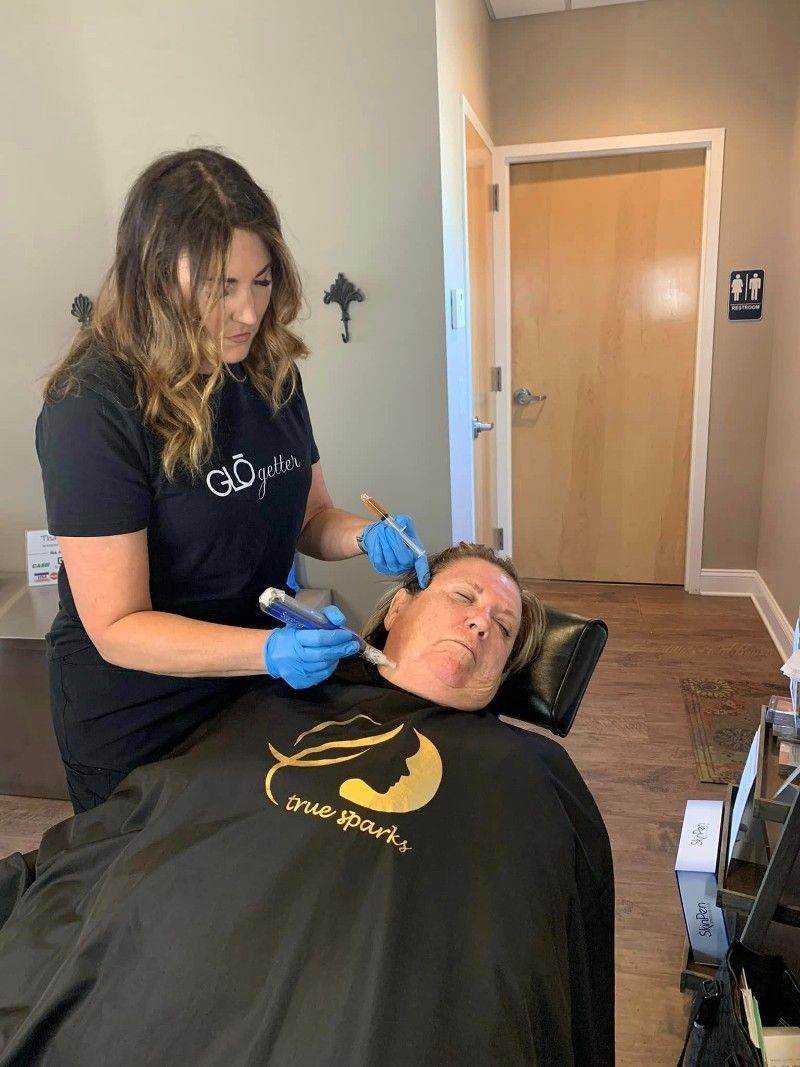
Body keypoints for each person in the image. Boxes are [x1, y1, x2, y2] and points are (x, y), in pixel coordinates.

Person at [0, 544, 614, 1066]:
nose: (483, 623)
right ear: (398, 608)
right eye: (464, 598)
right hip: (152, 976)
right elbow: (164, 803)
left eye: (504, 628)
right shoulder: (276, 697)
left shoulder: (533, 773)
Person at [35, 148, 430, 814]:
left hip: (253, 692)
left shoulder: (271, 371)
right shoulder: (94, 404)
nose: (248, 312)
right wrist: (269, 650)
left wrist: (368, 534)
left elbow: (311, 517)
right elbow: (117, 625)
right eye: (222, 286)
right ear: (156, 276)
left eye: (262, 281)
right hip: (140, 717)